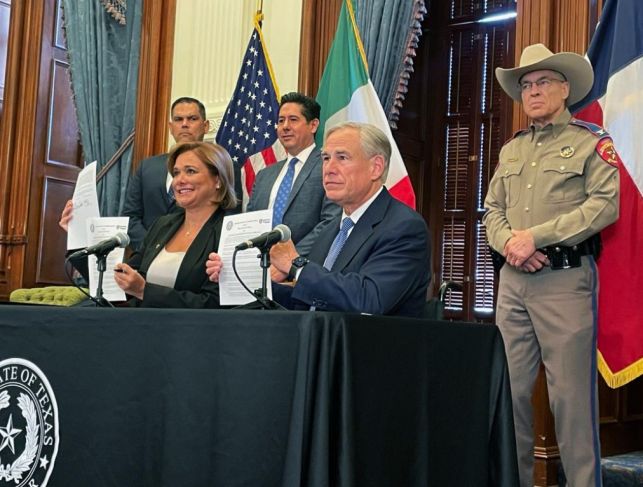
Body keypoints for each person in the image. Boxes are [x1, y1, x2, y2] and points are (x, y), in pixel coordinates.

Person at [484, 43, 619, 487]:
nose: (533, 91)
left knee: (572, 403)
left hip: (564, 283)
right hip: (512, 284)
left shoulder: (590, 142)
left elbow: (604, 206)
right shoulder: (512, 149)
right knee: (509, 397)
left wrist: (535, 237)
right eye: (526, 85)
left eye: (543, 82)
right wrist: (511, 243)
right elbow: (492, 211)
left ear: (565, 89)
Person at [207, 122, 430, 317]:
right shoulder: (331, 229)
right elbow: (310, 301)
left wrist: (296, 265)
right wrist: (241, 281)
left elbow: (369, 299)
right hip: (318, 343)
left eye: (342, 158)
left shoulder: (403, 227)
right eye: (325, 158)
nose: (329, 169)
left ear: (376, 167)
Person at [58, 97, 216, 251]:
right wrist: (151, 249)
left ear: (206, 126)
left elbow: (222, 215)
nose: (185, 124)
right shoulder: (147, 167)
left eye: (192, 119)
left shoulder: (218, 167)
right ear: (170, 126)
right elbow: (131, 216)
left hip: (195, 254)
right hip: (145, 257)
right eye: (178, 119)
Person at [113, 141, 237, 308]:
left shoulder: (230, 232)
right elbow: (126, 277)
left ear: (218, 180)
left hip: (191, 325)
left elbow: (214, 304)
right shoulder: (163, 225)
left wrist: (144, 291)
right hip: (141, 320)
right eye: (176, 173)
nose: (179, 180)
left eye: (190, 171)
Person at [247, 92, 340, 256]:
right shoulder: (263, 175)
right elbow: (250, 223)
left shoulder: (328, 166)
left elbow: (330, 222)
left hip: (304, 265)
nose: (285, 126)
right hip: (260, 264)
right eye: (281, 120)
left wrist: (289, 259)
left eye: (293, 120)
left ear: (313, 125)